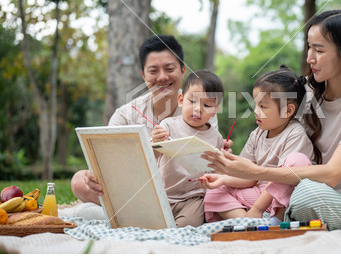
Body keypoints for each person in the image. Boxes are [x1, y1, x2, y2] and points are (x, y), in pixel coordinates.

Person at [201, 10, 341, 231]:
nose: (309, 58)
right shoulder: (304, 91)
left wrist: (256, 172)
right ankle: (256, 218)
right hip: (291, 189)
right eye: (309, 47)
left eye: (319, 50)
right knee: (225, 186)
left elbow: (332, 174)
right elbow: (268, 104)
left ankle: (268, 215)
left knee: (304, 192)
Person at [71, 35, 231, 205]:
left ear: (183, 71)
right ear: (143, 75)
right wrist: (96, 173)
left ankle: (124, 213)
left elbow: (205, 164)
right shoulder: (125, 115)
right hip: (137, 189)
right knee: (79, 181)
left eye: (169, 69)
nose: (162, 77)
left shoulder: (200, 111)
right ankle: (132, 211)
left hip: (184, 192)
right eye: (153, 71)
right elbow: (109, 160)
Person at [199, 67, 315, 224]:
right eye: (256, 105)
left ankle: (271, 219)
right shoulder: (257, 134)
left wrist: (257, 209)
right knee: (214, 191)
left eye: (263, 106)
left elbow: (285, 178)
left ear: (288, 110)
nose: (256, 111)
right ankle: (246, 222)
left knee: (297, 160)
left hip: (279, 200)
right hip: (258, 194)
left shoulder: (294, 133)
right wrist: (223, 179)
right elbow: (249, 177)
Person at [151, 70, 224, 227]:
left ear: (215, 111)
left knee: (188, 225)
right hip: (162, 195)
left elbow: (216, 171)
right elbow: (150, 157)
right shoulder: (167, 126)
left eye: (207, 105)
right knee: (150, 223)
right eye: (192, 101)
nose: (198, 109)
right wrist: (154, 142)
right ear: (181, 100)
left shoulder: (216, 137)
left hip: (193, 197)